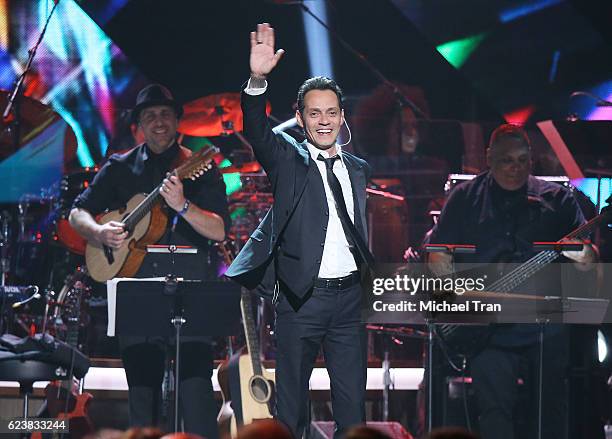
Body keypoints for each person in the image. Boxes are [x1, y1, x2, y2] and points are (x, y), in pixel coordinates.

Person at [225, 23, 374, 439]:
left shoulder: (359, 171)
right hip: (302, 300)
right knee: (289, 410)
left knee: (353, 412)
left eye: (331, 113)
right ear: (299, 117)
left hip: (348, 304)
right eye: (314, 113)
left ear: (342, 116)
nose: (323, 122)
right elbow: (256, 130)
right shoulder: (288, 161)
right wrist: (257, 80)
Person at [69, 84, 229, 438]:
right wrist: (97, 233)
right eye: (150, 116)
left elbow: (218, 231)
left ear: (177, 122)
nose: (159, 122)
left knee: (197, 400)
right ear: (139, 124)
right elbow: (77, 212)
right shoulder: (119, 168)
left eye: (166, 115)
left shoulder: (199, 167)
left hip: (191, 293)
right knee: (143, 404)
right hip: (138, 292)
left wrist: (182, 206)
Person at [427, 124, 597, 439]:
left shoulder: (556, 199)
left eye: (522, 160)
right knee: (494, 414)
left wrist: (584, 257)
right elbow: (438, 254)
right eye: (506, 160)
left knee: (549, 411)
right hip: (488, 331)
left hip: (545, 327)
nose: (514, 168)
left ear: (531, 159)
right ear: (489, 158)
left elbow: (589, 262)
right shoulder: (465, 198)